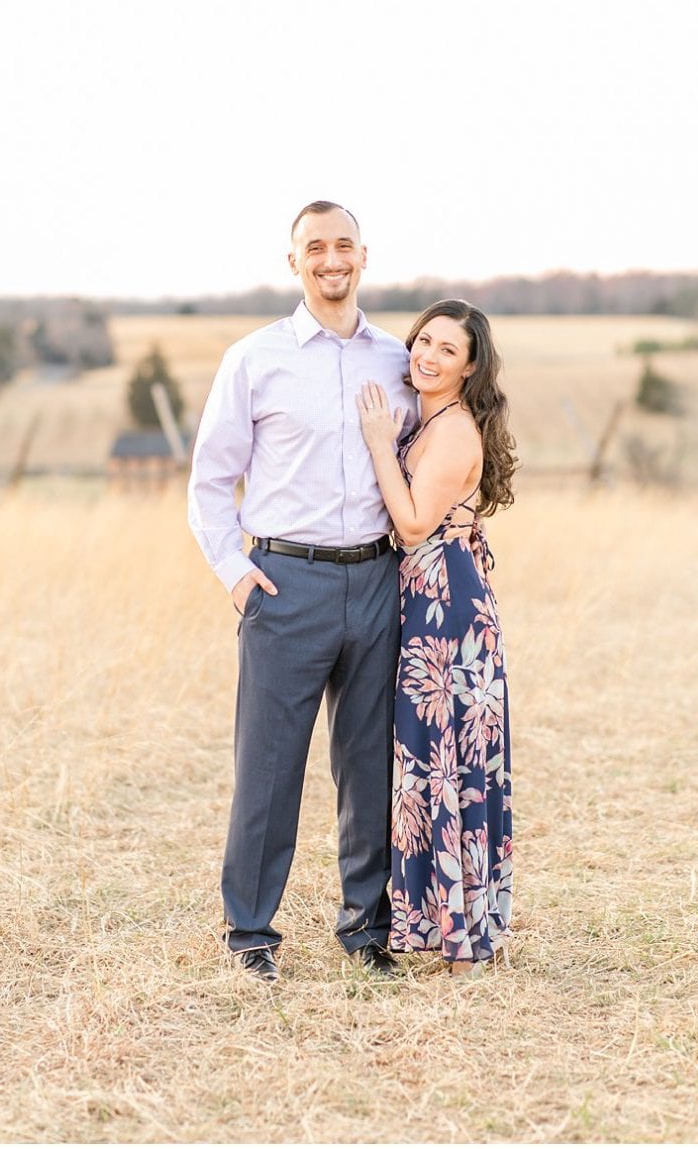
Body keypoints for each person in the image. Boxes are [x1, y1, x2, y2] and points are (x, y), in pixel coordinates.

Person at [186, 200, 417, 983]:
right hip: (287, 582)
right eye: (314, 247)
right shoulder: (255, 358)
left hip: (379, 578)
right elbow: (210, 479)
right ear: (295, 262)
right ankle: (251, 933)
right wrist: (235, 573)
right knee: (270, 765)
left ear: (363, 256)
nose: (331, 259)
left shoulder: (397, 359)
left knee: (370, 763)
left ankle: (367, 928)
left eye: (343, 245)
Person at [356, 299, 515, 975]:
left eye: (447, 349)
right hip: (426, 598)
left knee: (450, 764)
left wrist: (374, 442)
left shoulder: (452, 432)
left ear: (470, 365)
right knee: (432, 762)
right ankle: (448, 924)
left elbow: (416, 523)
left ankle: (465, 940)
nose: (427, 354)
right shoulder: (432, 419)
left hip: (447, 606)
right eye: (423, 340)